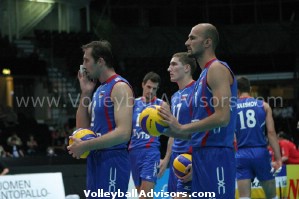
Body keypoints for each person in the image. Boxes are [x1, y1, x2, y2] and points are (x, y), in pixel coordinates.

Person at [159, 23, 237, 198]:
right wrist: (164, 128)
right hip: (200, 155)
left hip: (217, 154)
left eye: (192, 37)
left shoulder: (217, 68)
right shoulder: (202, 76)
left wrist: (181, 128)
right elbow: (197, 130)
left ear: (207, 42)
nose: (187, 42)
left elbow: (223, 117)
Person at [67, 40, 134, 198]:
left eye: (86, 60)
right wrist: (85, 93)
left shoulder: (120, 87)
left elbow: (124, 133)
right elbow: (81, 129)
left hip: (113, 159)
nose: (83, 66)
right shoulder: (99, 90)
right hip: (96, 159)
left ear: (101, 61)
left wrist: (86, 145)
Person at [235, 76, 282, 199]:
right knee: (272, 196)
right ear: (250, 89)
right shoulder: (264, 106)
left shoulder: (231, 108)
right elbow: (271, 133)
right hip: (260, 153)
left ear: (237, 91)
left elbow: (232, 138)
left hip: (241, 154)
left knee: (244, 197)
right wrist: (278, 158)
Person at [128, 71, 166, 198]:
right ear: (143, 85)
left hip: (151, 152)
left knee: (146, 196)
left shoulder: (162, 105)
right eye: (149, 87)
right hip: (133, 152)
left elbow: (174, 132)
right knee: (141, 195)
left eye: (154, 89)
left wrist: (166, 159)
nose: (151, 91)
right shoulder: (133, 104)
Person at [164, 52, 196, 199]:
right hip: (175, 157)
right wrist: (166, 159)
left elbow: (206, 129)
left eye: (174, 64)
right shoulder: (175, 96)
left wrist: (196, 162)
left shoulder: (197, 91)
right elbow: (174, 132)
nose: (169, 69)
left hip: (189, 156)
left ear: (187, 68)